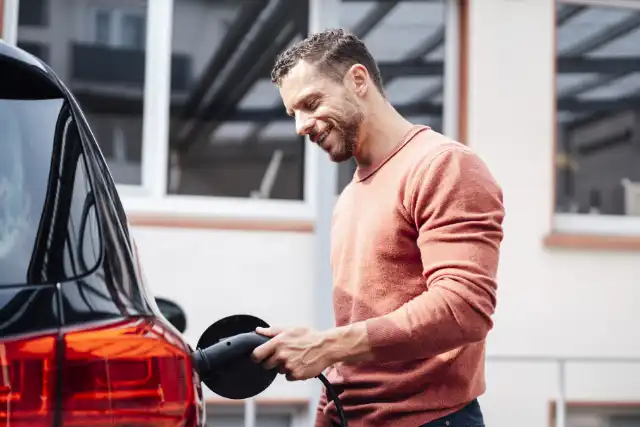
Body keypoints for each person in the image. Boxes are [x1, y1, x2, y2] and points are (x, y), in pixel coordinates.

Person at [251, 28, 505, 427]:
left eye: (311, 103)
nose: (301, 125)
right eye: (293, 113)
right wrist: (327, 409)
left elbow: (465, 308)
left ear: (357, 80)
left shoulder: (442, 165)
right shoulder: (351, 197)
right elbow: (351, 336)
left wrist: (325, 346)